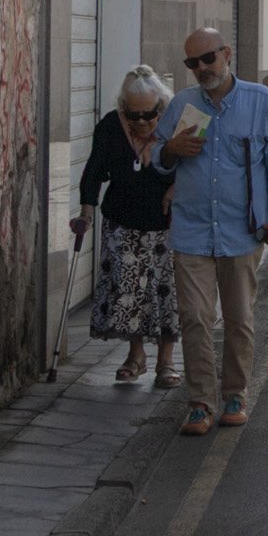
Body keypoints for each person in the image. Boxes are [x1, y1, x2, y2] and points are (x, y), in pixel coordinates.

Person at [158, 26, 268, 437]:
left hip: (242, 231)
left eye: (209, 58)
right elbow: (157, 158)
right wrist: (170, 150)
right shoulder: (183, 105)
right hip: (192, 230)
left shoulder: (261, 101)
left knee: (239, 319)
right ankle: (200, 403)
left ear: (227, 54)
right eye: (193, 63)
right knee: (195, 319)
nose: (202, 68)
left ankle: (235, 395)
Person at [72, 68, 182, 388]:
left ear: (161, 105)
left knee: (166, 292)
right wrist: (86, 211)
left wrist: (178, 188)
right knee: (129, 291)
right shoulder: (110, 126)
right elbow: (94, 170)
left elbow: (199, 163)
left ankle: (166, 361)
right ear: (123, 107)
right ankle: (136, 356)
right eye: (134, 115)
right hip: (123, 222)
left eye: (149, 113)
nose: (142, 121)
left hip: (167, 225)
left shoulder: (176, 125)